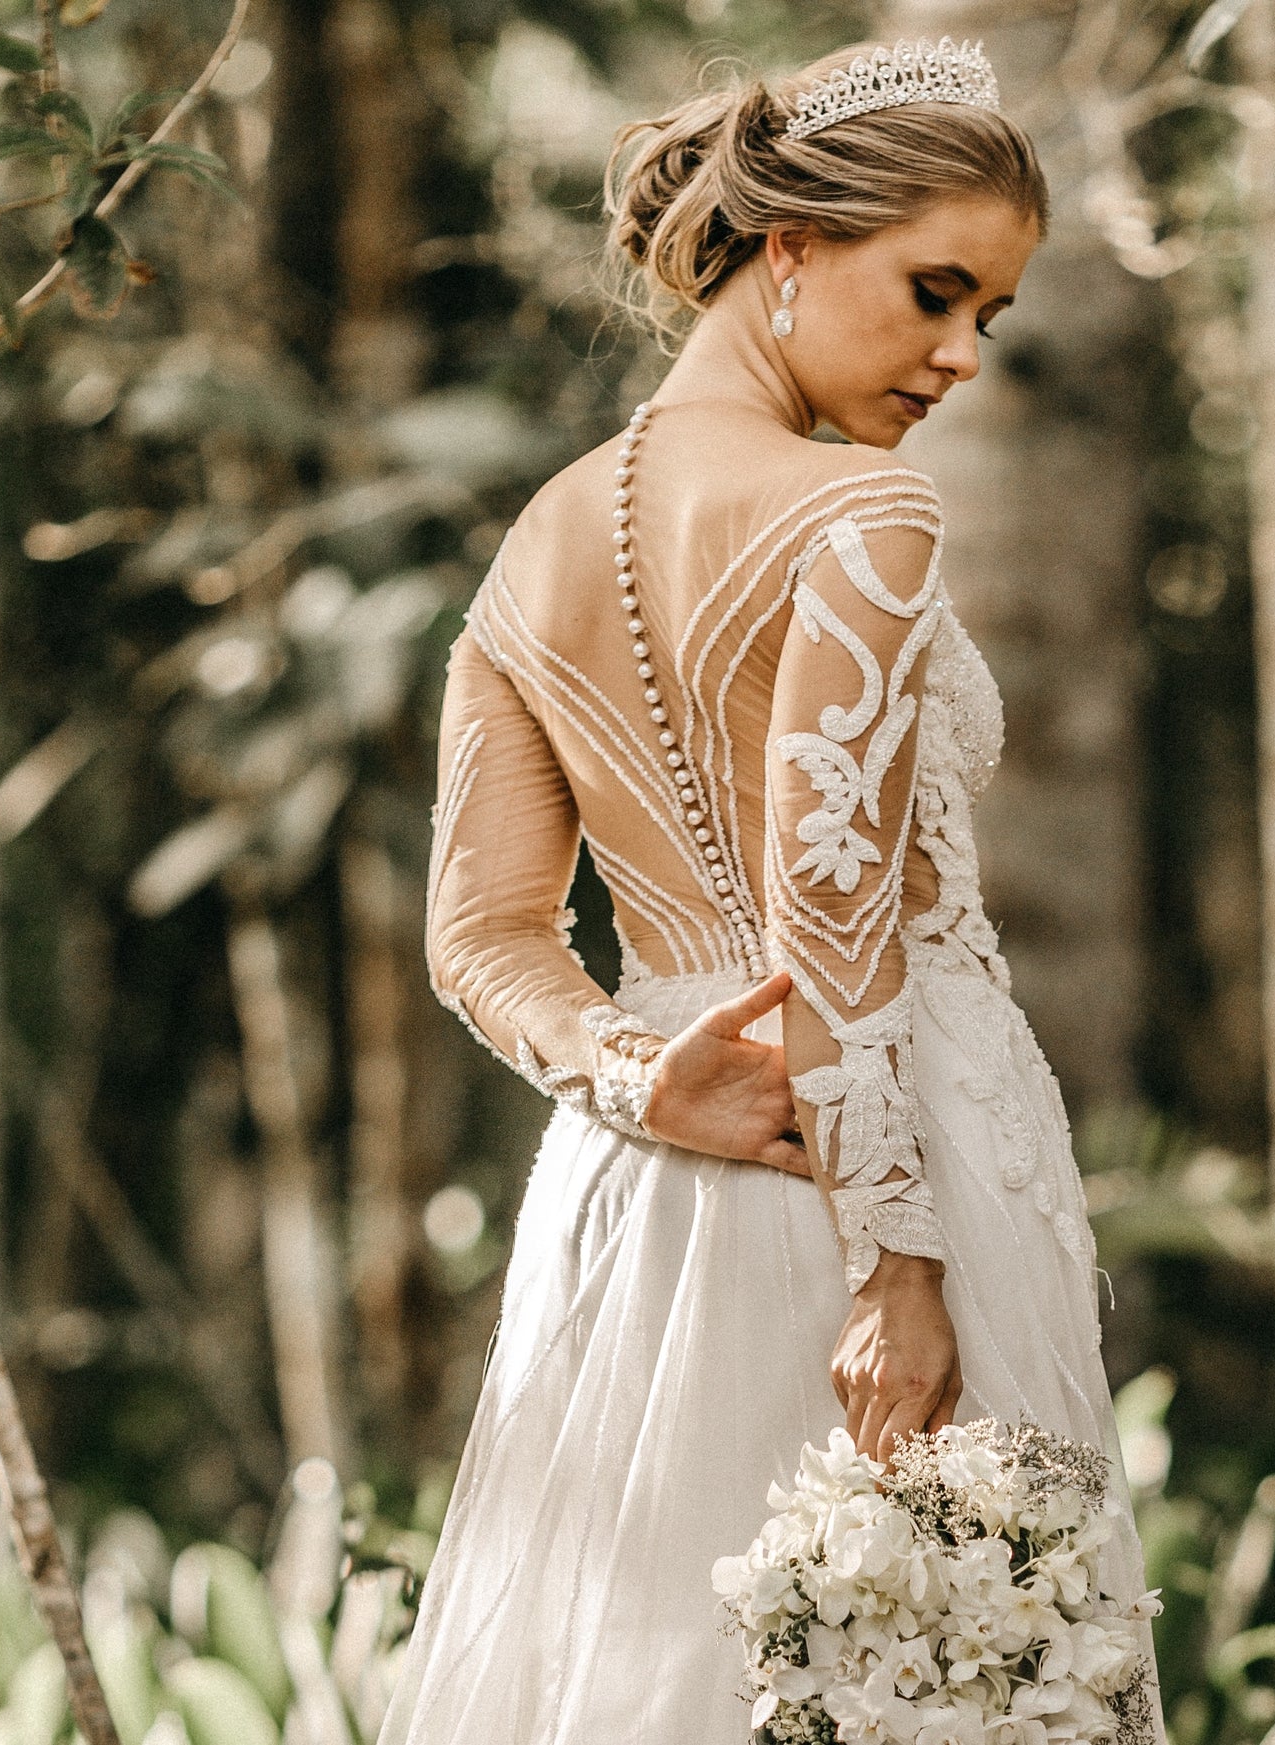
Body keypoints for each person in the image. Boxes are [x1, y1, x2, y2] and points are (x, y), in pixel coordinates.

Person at [383, 37, 1163, 1741]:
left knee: (660, 1669)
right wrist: (896, 1266)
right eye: (936, 292)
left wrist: (634, 1075)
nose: (962, 356)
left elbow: (483, 935)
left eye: (992, 316)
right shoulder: (863, 509)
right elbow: (831, 906)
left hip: (646, 1189)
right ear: (790, 243)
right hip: (879, 1158)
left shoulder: (535, 541)